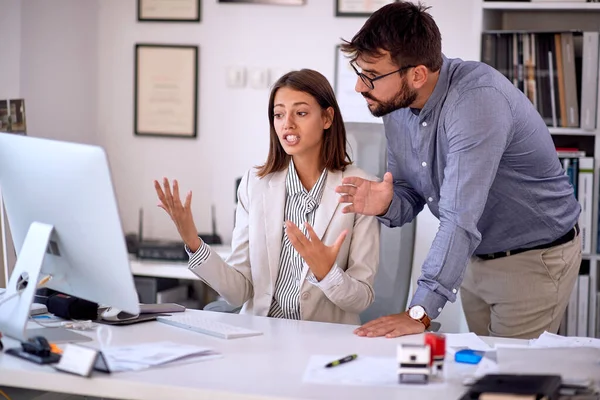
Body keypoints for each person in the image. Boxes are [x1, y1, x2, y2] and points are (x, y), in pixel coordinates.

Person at [336, 1, 581, 339]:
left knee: (510, 382)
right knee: (482, 368)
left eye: (373, 76)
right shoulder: (396, 106)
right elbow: (410, 190)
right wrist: (387, 205)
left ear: (417, 74)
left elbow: (458, 217)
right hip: (474, 257)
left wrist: (419, 313)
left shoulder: (476, 102)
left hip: (534, 259)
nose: (360, 87)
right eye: (360, 73)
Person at [155, 69, 379, 324]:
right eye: (279, 114)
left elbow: (362, 297)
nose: (287, 123)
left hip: (323, 340)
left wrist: (327, 272)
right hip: (261, 334)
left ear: (327, 118)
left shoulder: (361, 189)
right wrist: (193, 241)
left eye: (301, 113)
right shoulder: (255, 184)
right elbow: (239, 292)